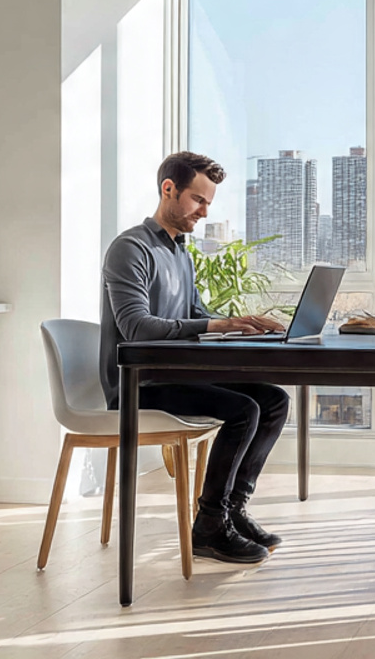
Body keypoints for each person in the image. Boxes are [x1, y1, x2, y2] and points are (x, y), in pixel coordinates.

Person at [101, 151, 290, 565]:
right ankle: (209, 526)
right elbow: (137, 328)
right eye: (198, 200)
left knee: (274, 400)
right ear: (168, 189)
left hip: (173, 377)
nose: (204, 212)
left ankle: (231, 511)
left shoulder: (181, 252)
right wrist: (214, 328)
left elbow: (196, 317)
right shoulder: (130, 249)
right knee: (242, 410)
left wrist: (239, 324)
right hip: (139, 386)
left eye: (208, 204)